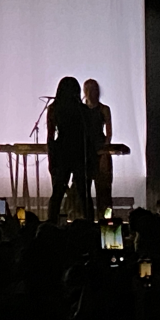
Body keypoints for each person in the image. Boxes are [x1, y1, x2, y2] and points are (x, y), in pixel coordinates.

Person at [46, 76, 96, 222]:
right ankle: (89, 225)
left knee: (58, 193)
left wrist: (52, 159)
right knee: (84, 194)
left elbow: (50, 137)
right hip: (80, 152)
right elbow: (90, 137)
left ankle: (51, 224)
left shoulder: (54, 108)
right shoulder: (83, 110)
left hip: (62, 152)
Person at [83, 78, 113, 218]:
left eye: (92, 89)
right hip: (85, 153)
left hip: (101, 151)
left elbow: (108, 133)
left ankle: (106, 222)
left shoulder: (104, 109)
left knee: (104, 193)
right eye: (87, 89)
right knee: (84, 192)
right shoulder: (81, 110)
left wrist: (105, 154)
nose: (89, 93)